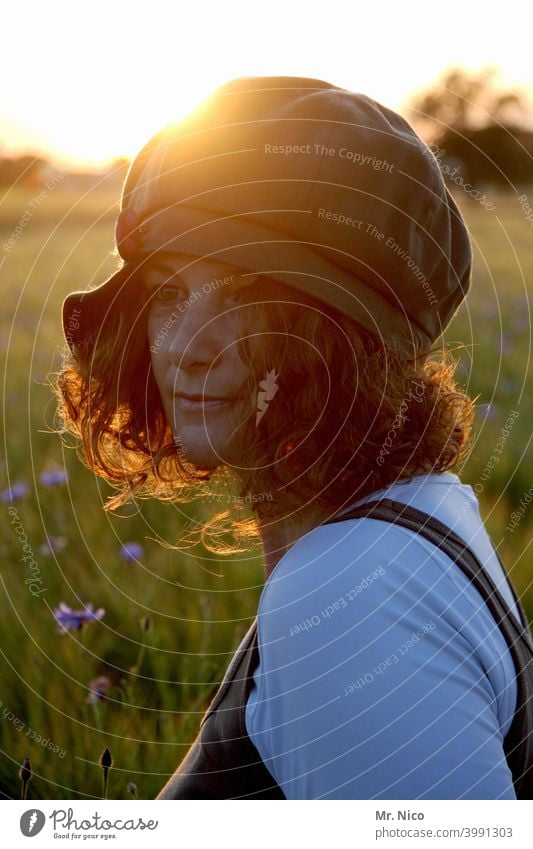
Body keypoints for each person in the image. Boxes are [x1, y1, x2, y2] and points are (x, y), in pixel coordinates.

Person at [57, 76, 533, 800]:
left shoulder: (347, 591)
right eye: (169, 291)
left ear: (339, 339)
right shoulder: (413, 519)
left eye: (248, 296)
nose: (185, 346)